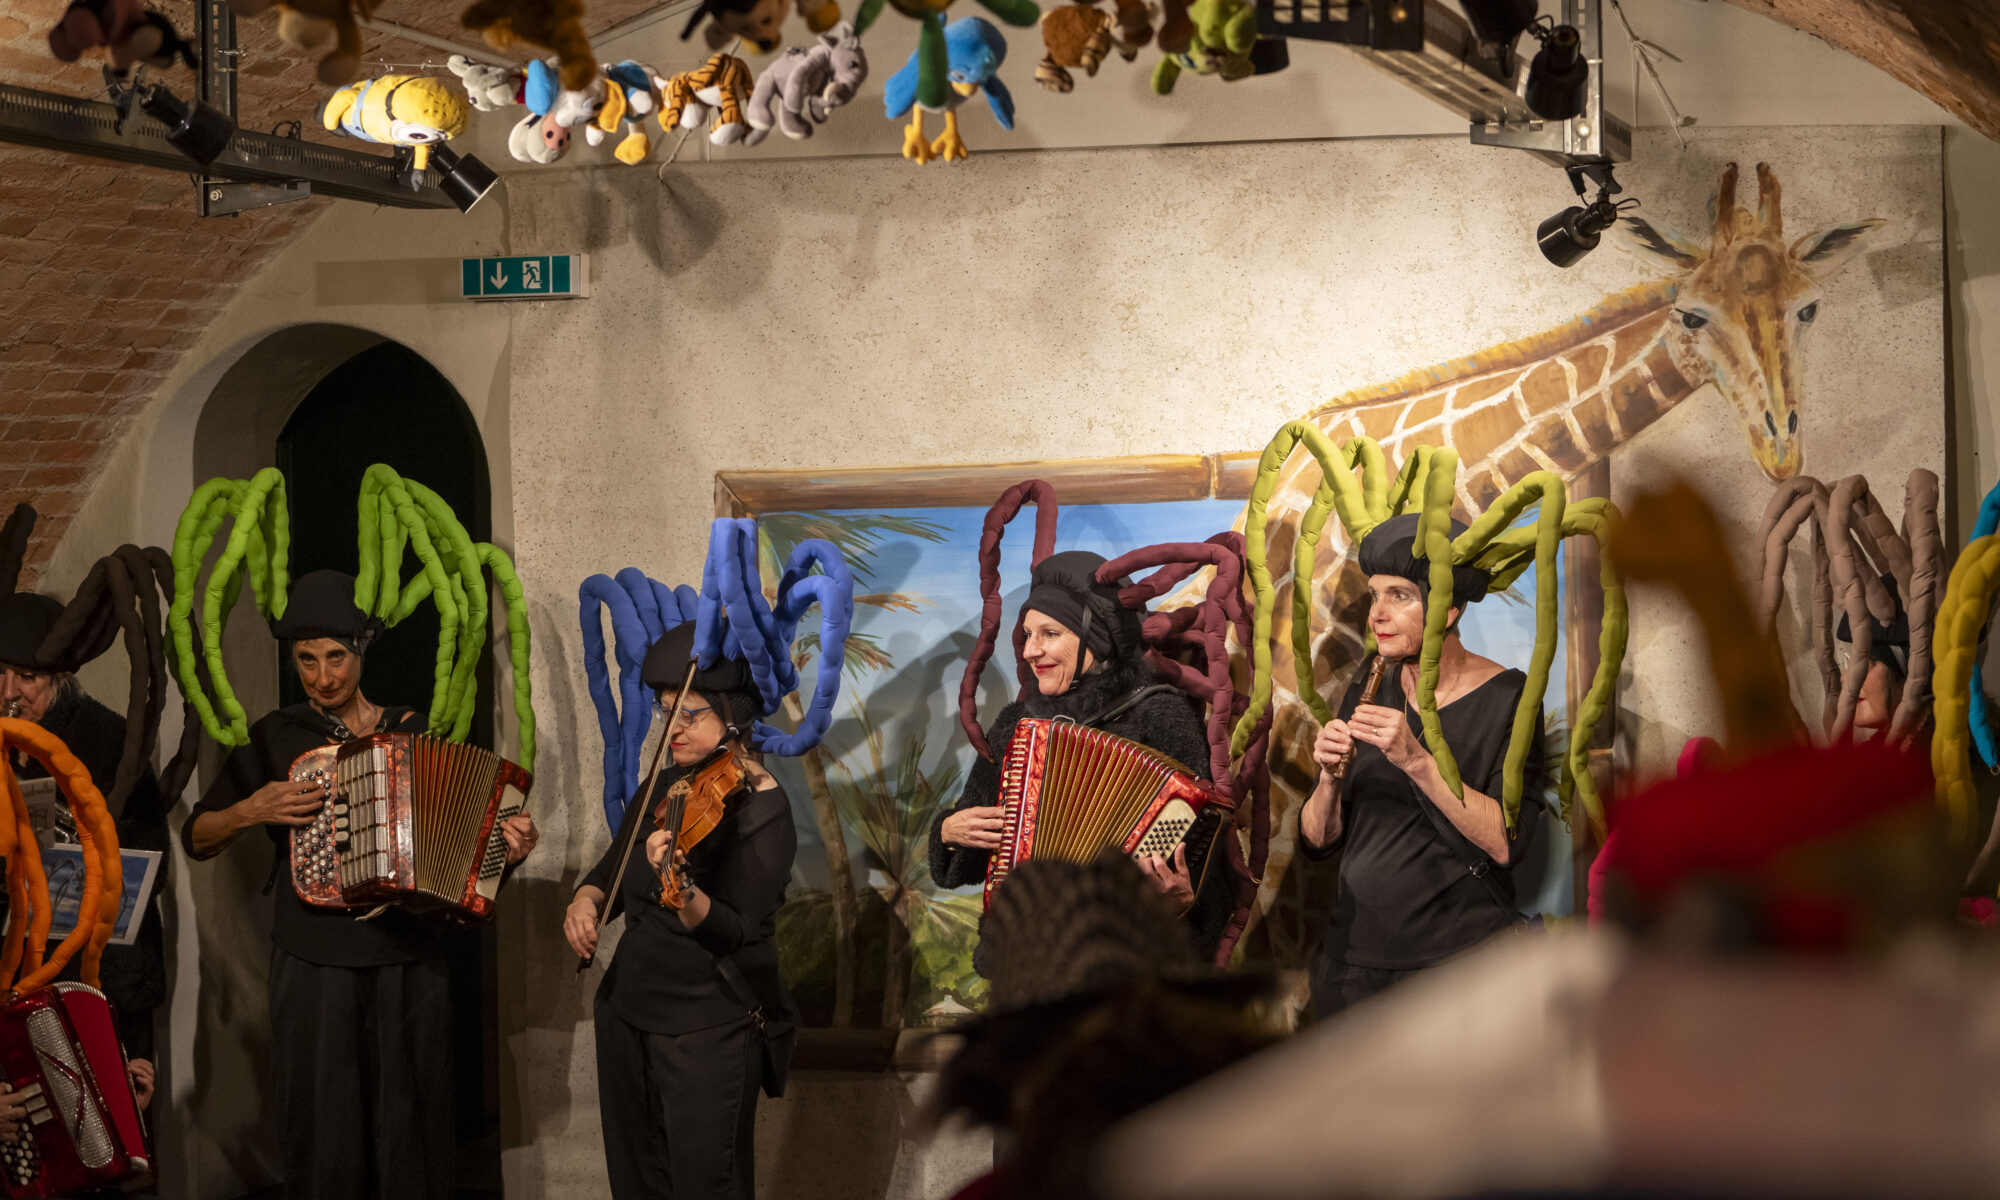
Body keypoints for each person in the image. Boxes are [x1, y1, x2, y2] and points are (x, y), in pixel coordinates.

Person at [179, 570, 538, 1200]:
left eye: (335, 657)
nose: (322, 677)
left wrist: (508, 853)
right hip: (313, 960)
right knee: (324, 1123)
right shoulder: (277, 735)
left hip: (407, 955)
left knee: (413, 1123)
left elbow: (459, 864)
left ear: (361, 653)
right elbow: (197, 836)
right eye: (307, 660)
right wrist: (251, 810)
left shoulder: (412, 730)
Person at [563, 621, 798, 1200]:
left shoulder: (763, 808)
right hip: (627, 1012)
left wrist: (682, 888)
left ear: (732, 715)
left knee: (706, 1186)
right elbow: (611, 873)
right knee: (636, 1183)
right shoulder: (664, 783)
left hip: (707, 1029)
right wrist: (584, 903)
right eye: (667, 712)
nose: (673, 728)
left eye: (689, 714)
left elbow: (731, 931)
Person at [1298, 514, 1545, 1019]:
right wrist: (1327, 780)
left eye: (1400, 596)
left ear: (1448, 608)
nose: (1377, 614)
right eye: (1374, 595)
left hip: (1459, 970)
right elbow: (1318, 842)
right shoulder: (1369, 682)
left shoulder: (1510, 698)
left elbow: (1506, 843)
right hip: (1352, 966)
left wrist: (1416, 759)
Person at [931, 550, 1231, 953]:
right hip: (1023, 958)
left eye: (1049, 634)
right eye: (1028, 635)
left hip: (1126, 963)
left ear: (1097, 639)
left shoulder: (1161, 714)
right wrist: (949, 833)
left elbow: (1205, 868)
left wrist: (1181, 905)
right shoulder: (1015, 724)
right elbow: (968, 858)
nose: (1030, 650)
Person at [0, 587, 170, 1065]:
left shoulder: (109, 739)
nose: (8, 693)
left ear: (60, 678)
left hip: (102, 981)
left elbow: (151, 865)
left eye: (27, 677)